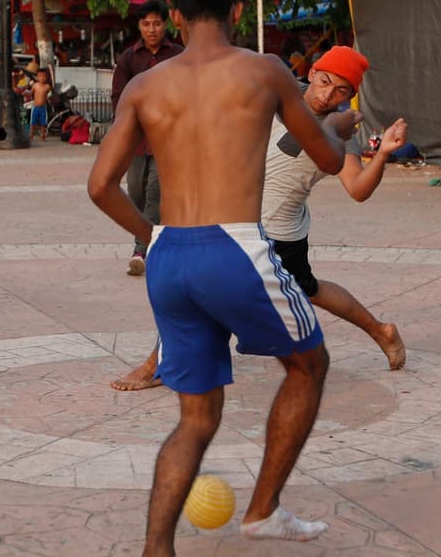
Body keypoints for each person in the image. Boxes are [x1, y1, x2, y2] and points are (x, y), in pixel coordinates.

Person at [86, 0, 353, 557]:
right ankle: (263, 508)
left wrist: (152, 236)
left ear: (173, 16)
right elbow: (329, 157)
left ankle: (157, 555)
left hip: (170, 252)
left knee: (196, 414)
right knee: (309, 364)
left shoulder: (144, 87)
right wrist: (335, 124)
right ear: (237, 10)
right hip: (233, 243)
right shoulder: (263, 70)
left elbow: (99, 186)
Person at [110, 46, 409, 391]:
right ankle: (381, 330)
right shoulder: (278, 92)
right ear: (312, 73)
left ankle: (157, 366)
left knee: (214, 289)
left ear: (350, 97)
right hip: (235, 218)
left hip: (279, 234)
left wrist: (383, 153)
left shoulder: (339, 131)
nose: (327, 95)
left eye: (341, 91)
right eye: (324, 81)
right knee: (298, 289)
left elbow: (357, 188)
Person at [110, 0, 184, 276]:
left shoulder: (178, 55)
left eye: (156, 23)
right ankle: (157, 244)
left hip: (169, 139)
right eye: (146, 24)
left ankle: (140, 250)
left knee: (155, 193)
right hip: (137, 140)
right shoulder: (129, 59)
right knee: (136, 194)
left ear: (166, 24)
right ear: (139, 27)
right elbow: (118, 97)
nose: (152, 29)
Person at [29, 68, 51, 140]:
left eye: (44, 76)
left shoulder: (47, 86)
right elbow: (31, 93)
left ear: (46, 77)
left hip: (43, 107)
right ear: (37, 77)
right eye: (40, 76)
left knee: (43, 122)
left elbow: (48, 96)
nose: (42, 78)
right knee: (33, 122)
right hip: (35, 107)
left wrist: (49, 100)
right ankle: (31, 135)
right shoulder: (35, 85)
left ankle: (43, 136)